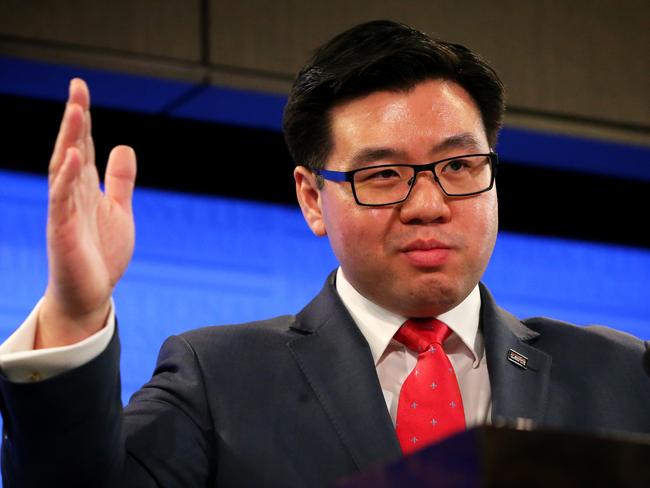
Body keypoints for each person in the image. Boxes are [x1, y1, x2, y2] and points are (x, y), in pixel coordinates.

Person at [0, 20, 649, 488]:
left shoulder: (622, 377)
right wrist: (74, 310)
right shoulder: (218, 381)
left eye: (458, 165)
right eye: (385, 174)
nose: (430, 203)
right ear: (313, 199)